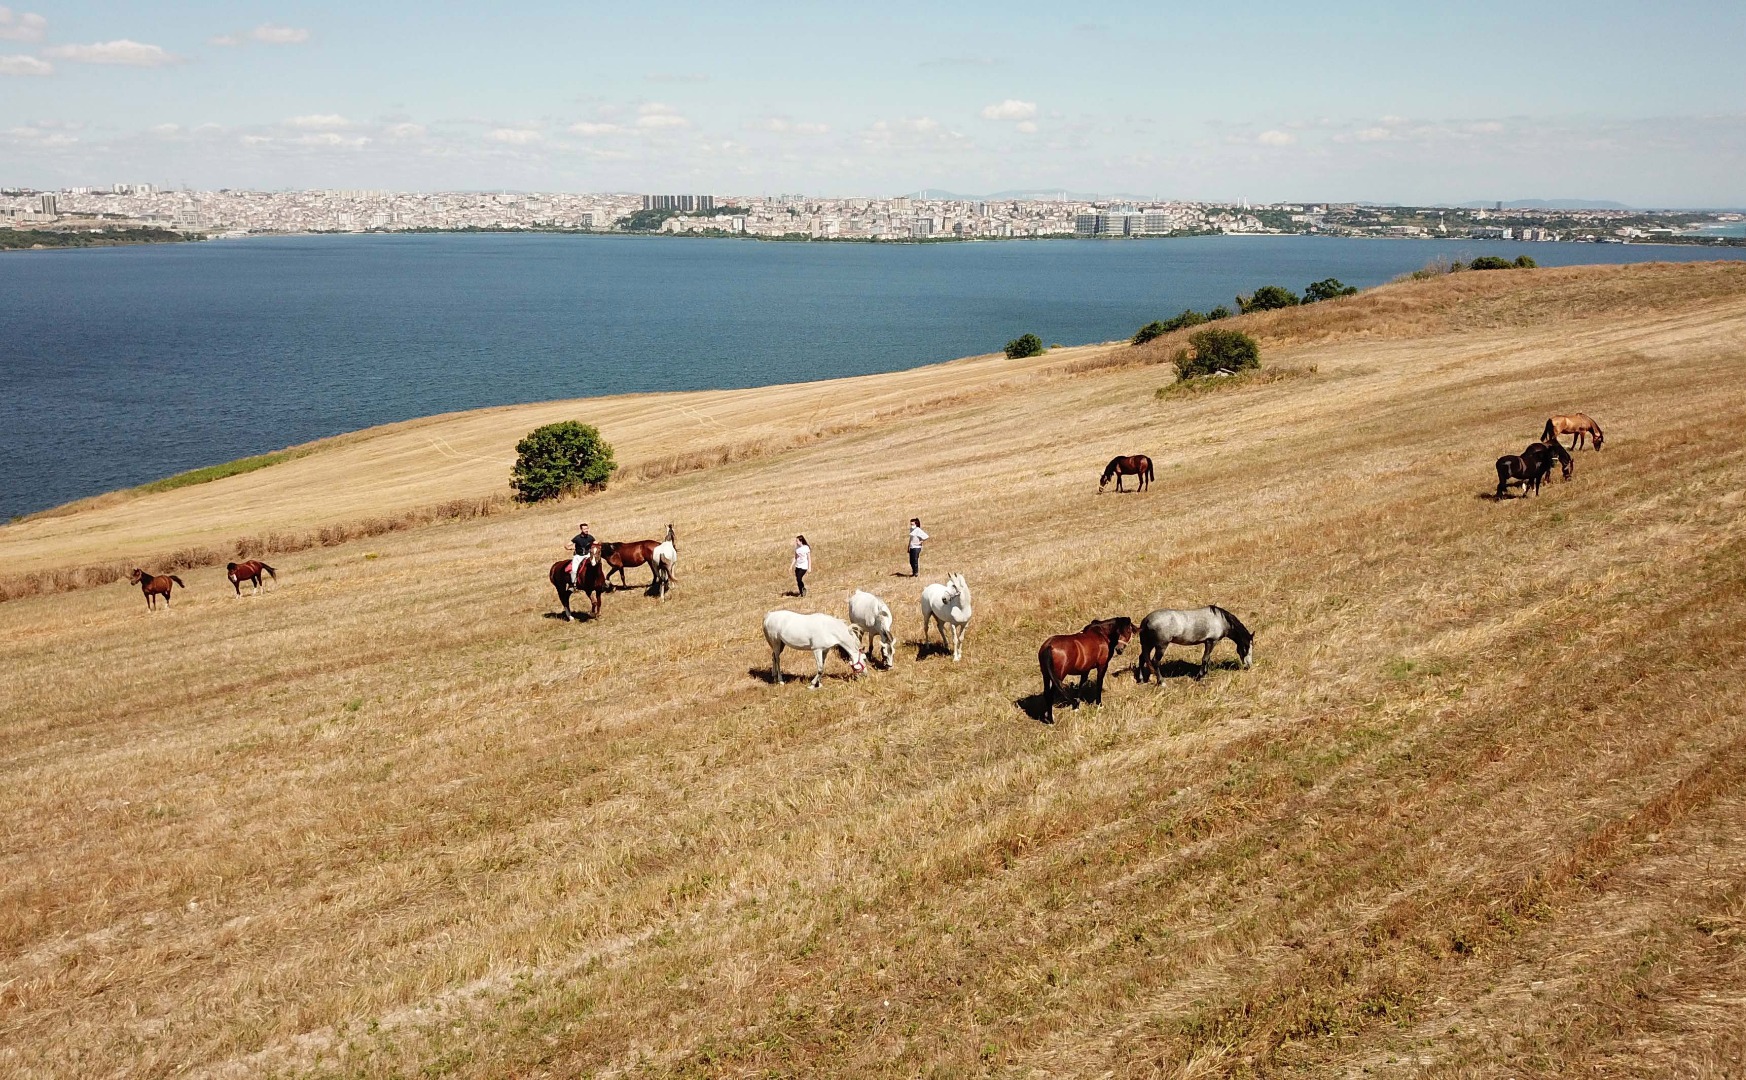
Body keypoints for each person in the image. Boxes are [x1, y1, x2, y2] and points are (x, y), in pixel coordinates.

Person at [568, 522, 595, 586]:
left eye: (587, 528)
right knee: (574, 570)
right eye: (584, 529)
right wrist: (570, 548)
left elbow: (596, 543)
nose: (586, 530)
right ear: (581, 530)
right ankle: (573, 584)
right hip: (578, 556)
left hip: (587, 555)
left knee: (595, 566)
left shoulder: (590, 537)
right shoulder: (577, 538)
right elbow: (567, 545)